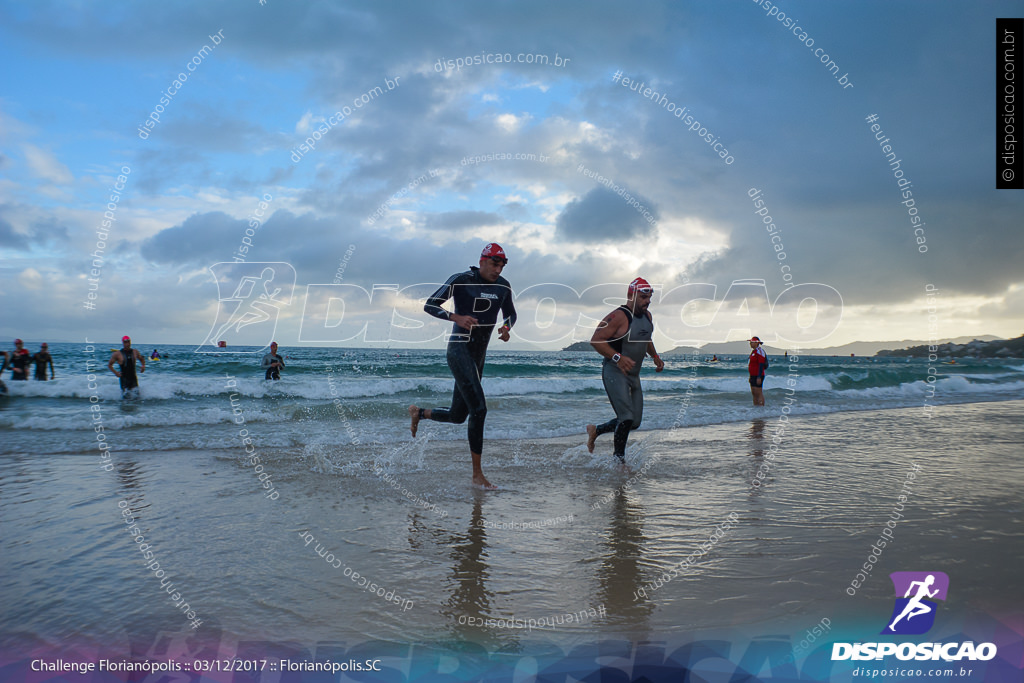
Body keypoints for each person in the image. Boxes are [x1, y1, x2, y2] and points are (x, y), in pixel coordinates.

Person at [408, 243, 517, 490]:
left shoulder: (503, 286)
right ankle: (477, 475)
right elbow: (430, 304)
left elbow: (511, 314)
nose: (498, 269)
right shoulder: (461, 280)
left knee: (459, 416)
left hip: (479, 355)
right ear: (482, 261)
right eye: (494, 263)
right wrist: (455, 317)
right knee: (479, 409)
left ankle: (419, 412)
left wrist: (507, 327)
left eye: (502, 264)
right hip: (459, 350)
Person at [586, 278, 664, 461]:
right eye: (643, 297)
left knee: (634, 422)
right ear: (631, 295)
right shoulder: (620, 316)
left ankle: (596, 431)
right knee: (626, 417)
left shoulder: (647, 316)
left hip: (634, 375)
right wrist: (617, 357)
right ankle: (619, 461)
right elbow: (596, 340)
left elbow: (646, 337)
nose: (647, 302)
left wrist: (655, 356)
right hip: (615, 372)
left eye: (649, 298)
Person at [748, 336, 768, 406]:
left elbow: (761, 364)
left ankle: (761, 409)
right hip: (753, 375)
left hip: (758, 375)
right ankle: (756, 408)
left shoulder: (760, 351)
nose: (750, 343)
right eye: (750, 342)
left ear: (756, 343)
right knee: (754, 392)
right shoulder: (753, 352)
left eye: (752, 342)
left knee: (758, 392)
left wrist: (759, 377)